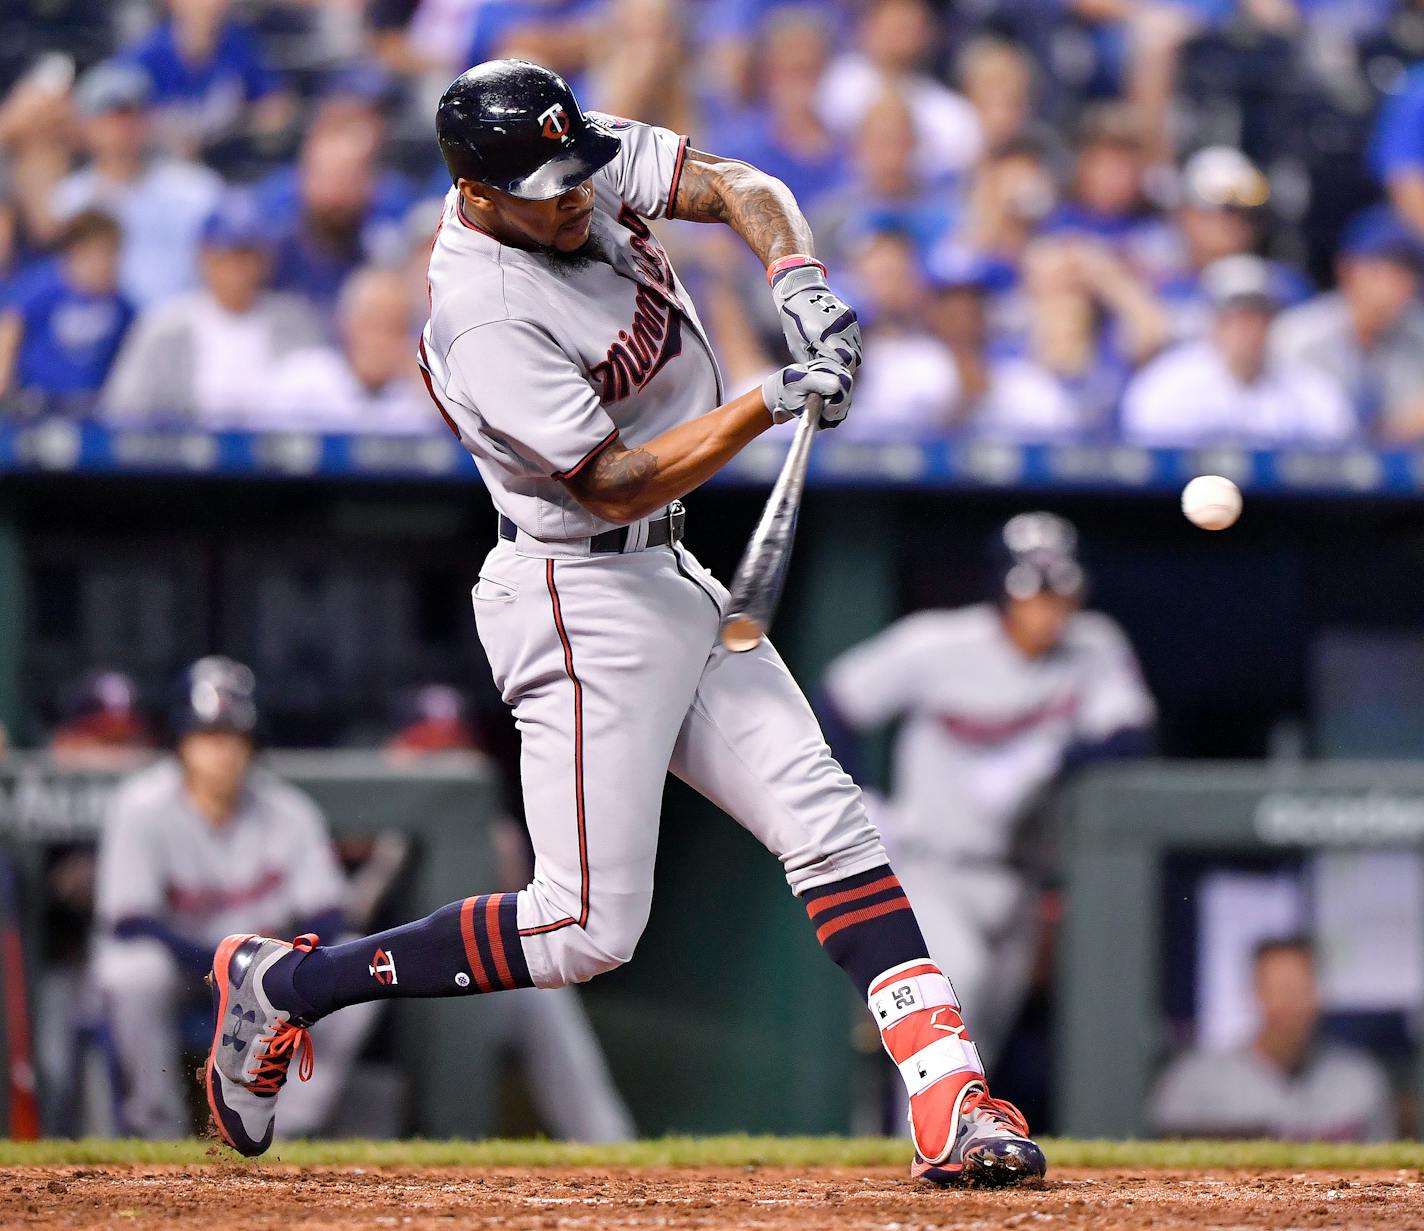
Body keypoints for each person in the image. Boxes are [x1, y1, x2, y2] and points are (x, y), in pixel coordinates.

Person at [200, 58, 1046, 1188]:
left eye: (573, 172)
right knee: (585, 928)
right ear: (478, 189)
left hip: (665, 571)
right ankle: (284, 986)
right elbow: (607, 482)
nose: (573, 196)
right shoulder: (482, 309)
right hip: (571, 589)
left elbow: (738, 183)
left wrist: (792, 276)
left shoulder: (564, 159)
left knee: (827, 819)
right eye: (543, 187)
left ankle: (951, 1097)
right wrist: (766, 398)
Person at [822, 513, 1155, 1073]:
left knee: (988, 1038)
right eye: (1033, 593)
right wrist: (862, 800)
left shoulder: (1093, 646)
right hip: (935, 868)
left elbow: (1135, 733)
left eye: (1058, 593)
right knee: (957, 998)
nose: (1047, 610)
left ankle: (945, 1148)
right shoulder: (939, 644)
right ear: (1001, 591)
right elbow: (838, 701)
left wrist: (1052, 753)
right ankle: (925, 1143)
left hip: (1021, 879)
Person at [93, 657, 375, 1139]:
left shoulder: (288, 810)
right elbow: (129, 921)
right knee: (132, 971)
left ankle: (284, 1132)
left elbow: (329, 911)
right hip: (182, 971)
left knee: (357, 978)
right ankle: (157, 1130)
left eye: (233, 737)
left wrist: (271, 963)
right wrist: (223, 963)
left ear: (251, 744)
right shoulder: (140, 806)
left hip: (269, 973)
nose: (221, 751)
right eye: (206, 736)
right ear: (180, 743)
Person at [385, 683, 636, 1142]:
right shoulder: (362, 823)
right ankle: (292, 1136)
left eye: (452, 754)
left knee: (542, 993)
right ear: (395, 755)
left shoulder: (493, 832)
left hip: (457, 990)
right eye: (426, 754)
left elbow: (525, 933)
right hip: (380, 997)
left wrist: (498, 859)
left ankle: (608, 1145)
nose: (441, 769)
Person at [101, 193, 322, 426]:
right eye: (228, 256)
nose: (239, 270)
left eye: (248, 255)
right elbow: (122, 411)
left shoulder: (295, 322)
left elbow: (325, 404)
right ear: (204, 257)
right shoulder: (166, 327)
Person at [1150, 937, 1398, 1141]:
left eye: (1302, 989)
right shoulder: (1195, 1080)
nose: (1291, 1004)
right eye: (1280, 990)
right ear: (1255, 993)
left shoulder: (1360, 1078)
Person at [1121, 254, 1356, 446]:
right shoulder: (1168, 384)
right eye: (1238, 317)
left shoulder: (1309, 389)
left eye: (1260, 316)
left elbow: (1339, 444)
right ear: (1213, 322)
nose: (1250, 329)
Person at [51, 62, 223, 307]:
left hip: (179, 328)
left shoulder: (195, 188)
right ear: (86, 126)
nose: (121, 129)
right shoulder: (70, 198)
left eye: (130, 116)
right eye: (109, 118)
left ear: (148, 119)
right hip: (101, 332)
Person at [1271, 206, 1424, 442]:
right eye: (1382, 272)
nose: (1395, 287)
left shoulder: (1417, 334)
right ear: (1346, 270)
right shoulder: (1298, 335)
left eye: (1406, 273)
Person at [115, 0, 294, 160]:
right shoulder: (144, 58)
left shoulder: (239, 44)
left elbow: (275, 105)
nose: (209, 4)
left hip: (226, 161)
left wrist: (241, 125)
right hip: (160, 168)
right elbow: (113, 120)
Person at [263, 266, 430, 435]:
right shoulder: (301, 380)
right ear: (345, 323)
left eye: (395, 327)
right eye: (373, 323)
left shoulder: (417, 400)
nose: (381, 340)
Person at [0, 208, 133, 418]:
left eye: (113, 254)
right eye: (100, 253)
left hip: (94, 410)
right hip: (37, 407)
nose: (107, 264)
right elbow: (9, 332)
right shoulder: (42, 288)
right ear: (76, 251)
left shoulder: (122, 305)